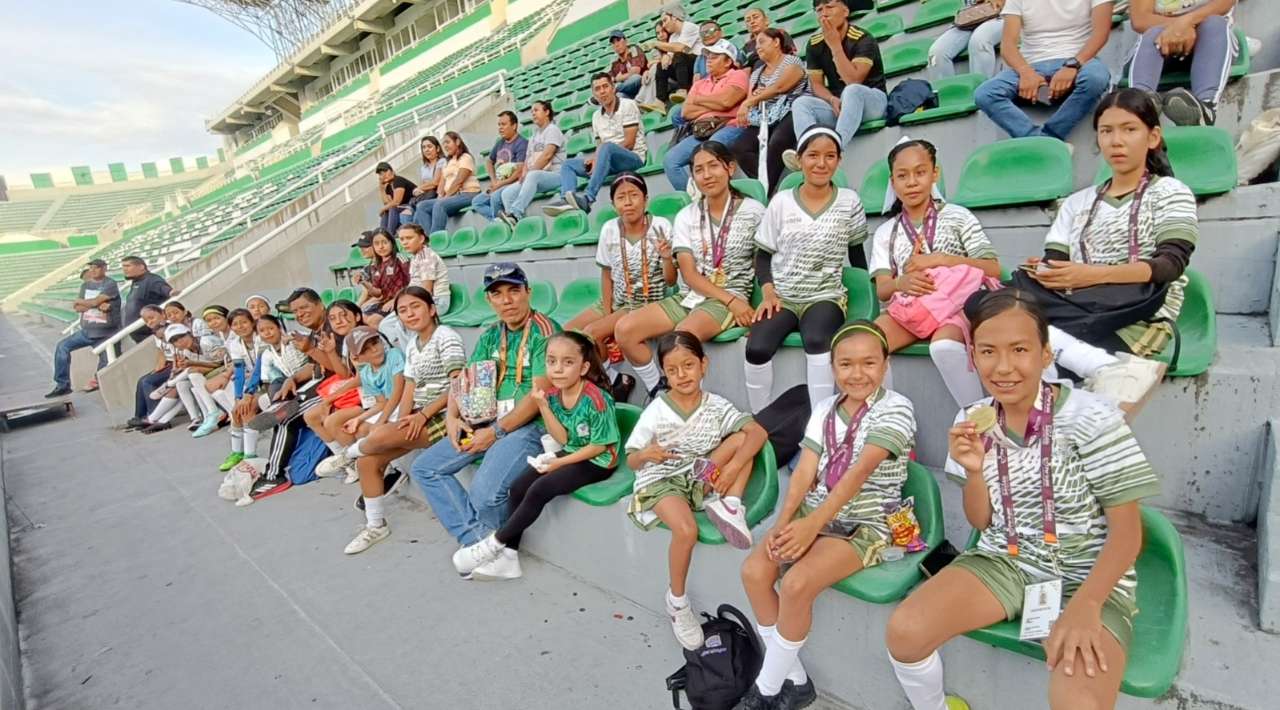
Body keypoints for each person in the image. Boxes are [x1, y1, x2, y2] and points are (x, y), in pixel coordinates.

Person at [885, 290, 1159, 710]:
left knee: (1079, 703)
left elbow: (1127, 534)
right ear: (972, 358)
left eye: (1019, 349)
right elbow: (981, 522)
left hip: (1087, 574)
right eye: (988, 351)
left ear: (1045, 354)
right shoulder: (970, 420)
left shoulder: (1093, 417)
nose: (1004, 367)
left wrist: (1087, 605)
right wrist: (974, 471)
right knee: (904, 633)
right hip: (1005, 561)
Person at [737, 322, 916, 710]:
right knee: (754, 571)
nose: (857, 373)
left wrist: (812, 526)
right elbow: (805, 471)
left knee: (797, 583)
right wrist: (784, 522)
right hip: (813, 511)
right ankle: (796, 680)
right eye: (846, 364)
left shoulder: (897, 407)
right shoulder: (824, 409)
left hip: (867, 522)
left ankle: (764, 691)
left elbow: (859, 472)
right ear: (833, 367)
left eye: (869, 362)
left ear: (885, 364)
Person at [1023, 88, 1195, 417]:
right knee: (991, 305)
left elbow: (1170, 265)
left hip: (1139, 313)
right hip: (1078, 305)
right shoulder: (1077, 202)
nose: (1116, 141)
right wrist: (1045, 271)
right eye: (1106, 131)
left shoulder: (1171, 192)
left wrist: (1090, 275)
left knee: (1030, 350)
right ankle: (1105, 369)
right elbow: (1058, 263)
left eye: (1129, 129)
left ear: (1153, 137)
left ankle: (1081, 395)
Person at [626, 332, 768, 649]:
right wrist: (645, 455)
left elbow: (757, 432)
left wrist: (731, 468)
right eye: (672, 370)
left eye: (688, 365)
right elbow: (632, 460)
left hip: (697, 474)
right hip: (661, 479)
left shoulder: (716, 405)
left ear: (704, 364)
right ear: (664, 373)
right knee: (686, 530)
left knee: (743, 439)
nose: (682, 375)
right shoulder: (656, 410)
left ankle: (730, 505)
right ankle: (677, 602)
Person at [409, 263, 560, 556]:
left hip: (531, 426)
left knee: (484, 496)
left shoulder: (545, 331)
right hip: (488, 419)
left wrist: (495, 432)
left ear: (528, 292)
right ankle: (480, 541)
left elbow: (539, 396)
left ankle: (490, 549)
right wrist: (452, 417)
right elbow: (464, 379)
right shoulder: (492, 333)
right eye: (497, 294)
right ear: (488, 300)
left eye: (514, 291)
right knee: (425, 468)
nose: (507, 301)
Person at [452, 331, 622, 581]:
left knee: (540, 489)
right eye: (551, 361)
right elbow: (563, 438)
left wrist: (558, 462)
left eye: (568, 362)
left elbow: (598, 447)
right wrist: (543, 406)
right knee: (518, 487)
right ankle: (510, 558)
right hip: (573, 450)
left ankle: (494, 544)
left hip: (598, 460)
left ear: (584, 367)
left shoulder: (596, 398)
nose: (558, 369)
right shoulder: (553, 395)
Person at [615, 142, 765, 397]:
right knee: (624, 329)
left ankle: (691, 402)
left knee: (682, 338)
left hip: (728, 297)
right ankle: (658, 390)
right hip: (690, 295)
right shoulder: (686, 215)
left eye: (713, 166)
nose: (706, 175)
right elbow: (689, 274)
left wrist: (741, 305)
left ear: (730, 168)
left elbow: (763, 264)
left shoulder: (754, 211)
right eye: (698, 170)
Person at [868, 139, 1002, 408]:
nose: (912, 182)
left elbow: (993, 268)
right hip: (913, 309)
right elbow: (882, 289)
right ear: (893, 182)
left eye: (920, 172)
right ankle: (886, 418)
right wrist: (901, 282)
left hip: (955, 307)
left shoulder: (958, 216)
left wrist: (943, 260)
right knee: (868, 344)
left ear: (934, 173)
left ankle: (978, 417)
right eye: (902, 176)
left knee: (943, 347)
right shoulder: (886, 232)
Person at [745, 127, 868, 413]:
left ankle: (819, 419)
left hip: (825, 295)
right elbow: (763, 257)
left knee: (817, 339)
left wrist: (871, 291)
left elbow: (856, 252)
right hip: (783, 297)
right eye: (813, 155)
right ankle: (760, 418)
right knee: (756, 348)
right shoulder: (781, 202)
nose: (821, 163)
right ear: (799, 160)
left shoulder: (849, 201)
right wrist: (768, 292)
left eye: (829, 156)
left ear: (839, 160)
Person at [344, 287, 465, 554]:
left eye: (415, 306)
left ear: (431, 309)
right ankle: (376, 525)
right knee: (367, 462)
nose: (409, 314)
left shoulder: (446, 337)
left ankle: (345, 456)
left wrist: (422, 415)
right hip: (419, 414)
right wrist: (402, 420)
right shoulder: (412, 344)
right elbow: (409, 386)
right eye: (402, 310)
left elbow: (458, 385)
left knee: (376, 436)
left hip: (447, 414)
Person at [564, 172, 675, 393]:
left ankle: (641, 386)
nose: (628, 202)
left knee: (591, 333)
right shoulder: (609, 229)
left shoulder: (661, 226)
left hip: (643, 301)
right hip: (618, 298)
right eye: (621, 197)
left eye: (634, 195)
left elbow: (671, 281)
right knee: (568, 332)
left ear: (646, 199)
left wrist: (666, 258)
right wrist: (608, 312)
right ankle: (614, 379)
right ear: (613, 204)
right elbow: (606, 274)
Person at [974, 0, 1113, 141]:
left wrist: (1073, 65)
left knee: (1095, 79)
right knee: (985, 94)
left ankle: (1050, 136)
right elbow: (1008, 46)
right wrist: (1026, 73)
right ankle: (1037, 139)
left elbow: (1101, 34)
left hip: (1079, 59)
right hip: (1032, 63)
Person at [783, 0, 887, 170]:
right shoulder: (814, 43)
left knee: (852, 91)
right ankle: (806, 153)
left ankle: (833, 149)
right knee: (801, 103)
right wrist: (831, 99)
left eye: (829, 7)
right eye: (819, 10)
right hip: (840, 106)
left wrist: (835, 46)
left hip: (872, 102)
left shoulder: (863, 38)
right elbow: (816, 85)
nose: (824, 14)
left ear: (845, 12)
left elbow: (853, 80)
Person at [311, 326, 407, 484]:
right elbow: (381, 403)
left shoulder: (394, 355)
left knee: (370, 430)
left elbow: (398, 393)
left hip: (405, 402)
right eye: (366, 350)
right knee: (357, 428)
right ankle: (376, 469)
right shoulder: (366, 372)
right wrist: (358, 419)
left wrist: (379, 421)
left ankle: (349, 456)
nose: (374, 350)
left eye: (375, 343)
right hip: (391, 407)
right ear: (357, 357)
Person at [544, 74, 648, 215]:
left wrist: (600, 157)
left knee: (607, 147)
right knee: (568, 164)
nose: (602, 91)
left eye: (605, 86)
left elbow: (629, 143)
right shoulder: (596, 116)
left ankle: (588, 199)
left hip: (633, 157)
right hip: (608, 160)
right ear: (594, 94)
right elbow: (600, 145)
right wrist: (595, 160)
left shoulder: (627, 105)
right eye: (598, 89)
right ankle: (566, 199)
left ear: (613, 88)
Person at [1128, 0, 1238, 126]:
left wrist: (1187, 23)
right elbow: (1140, 20)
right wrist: (1179, 27)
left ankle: (1206, 108)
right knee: (1153, 33)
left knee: (1214, 24)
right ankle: (1138, 108)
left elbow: (1224, 3)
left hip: (1211, 42)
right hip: (1163, 43)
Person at [733, 27, 810, 195]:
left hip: (790, 110)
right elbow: (752, 99)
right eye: (756, 44)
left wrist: (752, 100)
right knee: (740, 147)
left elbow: (780, 87)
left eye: (762, 42)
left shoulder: (792, 61)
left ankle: (764, 192)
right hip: (765, 116)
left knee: (777, 141)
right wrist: (754, 98)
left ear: (776, 42)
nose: (757, 47)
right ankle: (767, 186)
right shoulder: (756, 73)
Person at [663, 43, 750, 193]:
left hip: (729, 125)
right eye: (708, 57)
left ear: (728, 61)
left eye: (715, 57)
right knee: (670, 160)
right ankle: (697, 198)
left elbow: (726, 101)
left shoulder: (738, 75)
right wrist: (717, 103)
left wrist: (698, 100)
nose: (708, 60)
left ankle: (726, 195)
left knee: (711, 148)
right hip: (703, 129)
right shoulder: (699, 83)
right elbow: (686, 112)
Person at [233, 313, 309, 470]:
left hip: (305, 379)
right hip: (285, 386)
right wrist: (243, 396)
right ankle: (249, 455)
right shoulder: (267, 353)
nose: (267, 333)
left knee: (276, 393)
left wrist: (296, 340)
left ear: (279, 328)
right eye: (262, 331)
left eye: (271, 328)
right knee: (273, 384)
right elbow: (268, 380)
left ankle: (277, 407)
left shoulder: (293, 338)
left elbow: (310, 348)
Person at [48, 258, 120, 397]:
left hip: (105, 333)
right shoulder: (85, 286)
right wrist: (95, 305)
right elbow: (78, 308)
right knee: (62, 347)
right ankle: (62, 385)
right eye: (91, 267)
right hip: (87, 331)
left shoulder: (110, 284)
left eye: (96, 267)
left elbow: (91, 302)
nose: (93, 270)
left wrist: (85, 302)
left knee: (107, 362)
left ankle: (97, 382)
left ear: (104, 268)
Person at [497, 100, 566, 226]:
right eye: (532, 111)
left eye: (536, 110)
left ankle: (515, 213)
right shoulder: (534, 136)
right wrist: (524, 174)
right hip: (536, 176)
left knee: (533, 175)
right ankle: (515, 224)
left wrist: (529, 173)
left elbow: (547, 155)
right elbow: (527, 159)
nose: (533, 113)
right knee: (507, 193)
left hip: (556, 174)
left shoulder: (552, 130)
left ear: (547, 112)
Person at [218, 308, 267, 472]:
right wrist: (238, 397)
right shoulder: (235, 344)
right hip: (254, 383)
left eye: (244, 322)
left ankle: (250, 456)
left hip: (269, 380)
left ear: (252, 322)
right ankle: (237, 453)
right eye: (235, 324)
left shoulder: (261, 337)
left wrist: (248, 394)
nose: (240, 327)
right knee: (236, 410)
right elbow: (239, 373)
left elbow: (259, 368)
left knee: (247, 408)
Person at [410, 132, 482, 233]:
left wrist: (446, 197)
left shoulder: (465, 157)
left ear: (457, 142)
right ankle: (432, 237)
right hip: (453, 196)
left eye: (448, 142)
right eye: (444, 143)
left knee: (440, 205)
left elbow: (459, 181)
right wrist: (440, 196)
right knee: (422, 206)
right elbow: (442, 183)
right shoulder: (448, 161)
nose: (445, 146)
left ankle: (436, 238)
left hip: (468, 194)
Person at [471, 111, 529, 220]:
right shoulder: (500, 142)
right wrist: (494, 181)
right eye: (499, 125)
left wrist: (500, 184)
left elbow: (519, 171)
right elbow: (489, 161)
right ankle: (499, 222)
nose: (500, 128)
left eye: (504, 124)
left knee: (495, 197)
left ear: (514, 126)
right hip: (498, 184)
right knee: (477, 202)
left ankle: (502, 224)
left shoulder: (522, 143)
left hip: (512, 184)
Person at [928, 1, 1007, 80]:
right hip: (970, 17)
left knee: (978, 41)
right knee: (936, 53)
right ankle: (948, 87)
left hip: (1002, 13)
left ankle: (980, 86)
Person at [126, 306, 174, 429]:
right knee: (142, 380)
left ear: (163, 314)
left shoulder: (170, 329)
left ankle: (157, 417)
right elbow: (161, 353)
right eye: (146, 321)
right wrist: (157, 370)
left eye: (152, 318)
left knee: (147, 381)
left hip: (177, 364)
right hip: (168, 364)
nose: (149, 322)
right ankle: (139, 417)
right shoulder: (156, 332)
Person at [652, 8, 702, 109]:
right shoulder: (673, 37)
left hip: (699, 66)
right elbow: (671, 56)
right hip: (685, 69)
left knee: (679, 55)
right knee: (660, 66)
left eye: (665, 20)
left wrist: (657, 44)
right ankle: (660, 101)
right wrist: (666, 57)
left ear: (674, 18)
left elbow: (679, 48)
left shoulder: (688, 27)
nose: (664, 25)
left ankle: (683, 90)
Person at [359, 228, 408, 329]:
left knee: (374, 320)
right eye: (376, 244)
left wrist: (395, 299)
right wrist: (363, 282)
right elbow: (377, 293)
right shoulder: (375, 265)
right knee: (361, 318)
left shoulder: (400, 259)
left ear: (392, 243)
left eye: (384, 242)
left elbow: (412, 283)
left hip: (402, 299)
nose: (381, 247)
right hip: (384, 302)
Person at [399, 223, 451, 314]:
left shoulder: (426, 257)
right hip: (421, 301)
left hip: (436, 302)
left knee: (394, 319)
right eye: (402, 239)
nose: (404, 242)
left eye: (409, 238)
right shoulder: (416, 256)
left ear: (421, 239)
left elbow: (426, 290)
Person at [121, 255, 173, 344]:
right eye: (123, 267)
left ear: (141, 267)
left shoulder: (151, 279)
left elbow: (162, 287)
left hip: (153, 334)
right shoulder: (136, 282)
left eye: (127, 266)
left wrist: (170, 292)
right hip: (140, 335)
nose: (124, 269)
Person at [399, 136, 447, 221]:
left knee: (418, 212)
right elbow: (424, 185)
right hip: (427, 196)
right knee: (404, 215)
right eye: (423, 147)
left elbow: (435, 182)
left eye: (429, 146)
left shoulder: (442, 161)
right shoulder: (424, 167)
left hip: (439, 195)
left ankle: (417, 229)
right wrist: (420, 189)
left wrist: (419, 188)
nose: (426, 150)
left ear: (438, 148)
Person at [375, 162, 416, 234]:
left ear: (392, 171)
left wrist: (383, 209)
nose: (384, 175)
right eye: (381, 174)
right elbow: (387, 203)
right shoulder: (388, 187)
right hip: (402, 208)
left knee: (392, 208)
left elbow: (397, 202)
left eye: (386, 172)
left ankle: (390, 234)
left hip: (412, 205)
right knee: (387, 211)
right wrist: (382, 190)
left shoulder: (398, 180)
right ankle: (383, 235)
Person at [609, 30, 648, 99]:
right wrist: (615, 79)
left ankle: (613, 90)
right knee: (619, 95)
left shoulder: (634, 49)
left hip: (644, 85)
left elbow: (636, 72)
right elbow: (609, 79)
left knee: (636, 77)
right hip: (629, 92)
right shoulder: (615, 62)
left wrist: (619, 78)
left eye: (618, 40)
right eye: (613, 43)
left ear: (626, 41)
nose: (616, 45)